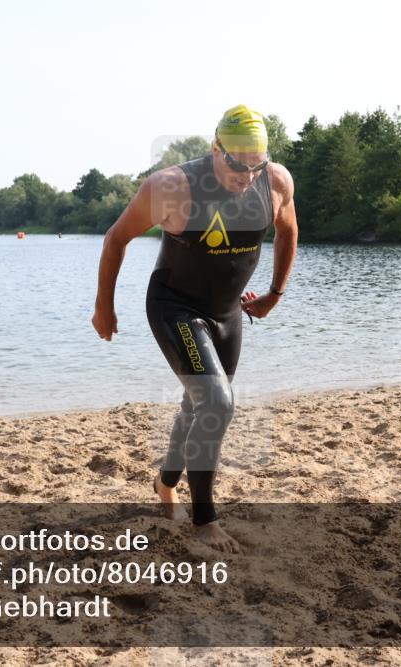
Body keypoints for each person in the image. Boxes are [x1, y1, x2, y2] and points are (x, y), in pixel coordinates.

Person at [92, 105, 298, 553]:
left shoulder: (276, 181)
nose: (247, 175)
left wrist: (275, 292)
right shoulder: (170, 187)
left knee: (199, 403)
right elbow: (115, 239)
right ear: (215, 149)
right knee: (217, 402)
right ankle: (205, 520)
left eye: (256, 164)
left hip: (227, 314)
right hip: (174, 307)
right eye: (237, 163)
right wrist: (103, 308)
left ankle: (165, 483)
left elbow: (288, 231)